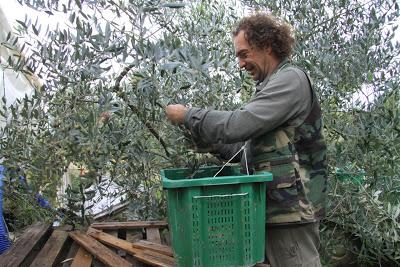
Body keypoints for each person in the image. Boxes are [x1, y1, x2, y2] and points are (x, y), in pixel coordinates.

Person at [165, 13, 327, 267]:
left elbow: (237, 125)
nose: (240, 64)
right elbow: (246, 150)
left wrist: (188, 116)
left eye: (244, 53)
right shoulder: (270, 86)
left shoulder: (290, 80)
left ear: (267, 46)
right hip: (275, 209)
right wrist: (208, 140)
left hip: (293, 211)